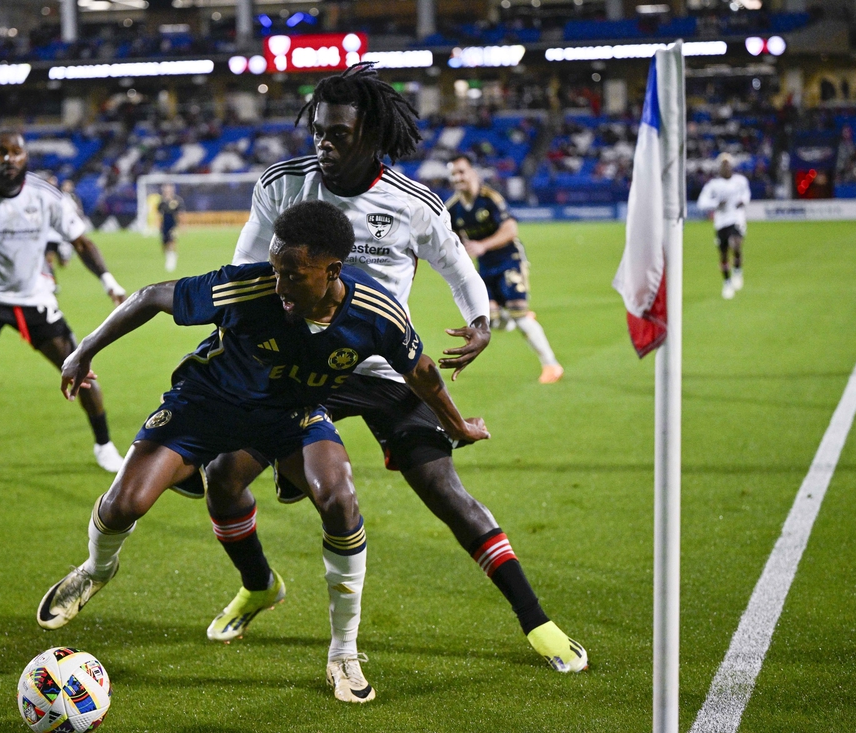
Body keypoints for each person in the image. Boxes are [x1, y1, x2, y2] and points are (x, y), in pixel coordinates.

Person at [178, 63, 587, 674]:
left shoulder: (411, 202)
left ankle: (538, 622)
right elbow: (244, 277)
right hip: (299, 370)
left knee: (446, 491)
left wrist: (480, 322)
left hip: (385, 366)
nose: (324, 144)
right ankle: (259, 584)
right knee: (222, 476)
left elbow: (456, 265)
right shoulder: (283, 184)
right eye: (318, 131)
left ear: (370, 133)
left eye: (338, 133)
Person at [37, 200, 490, 703]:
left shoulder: (375, 312)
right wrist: (84, 351)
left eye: (292, 275)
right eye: (275, 269)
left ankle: (343, 652)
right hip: (206, 403)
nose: (278, 285)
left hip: (290, 414)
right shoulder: (250, 285)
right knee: (125, 505)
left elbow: (421, 371)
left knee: (339, 499)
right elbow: (150, 297)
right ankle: (97, 570)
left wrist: (458, 427)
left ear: (332, 272)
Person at [0, 128, 128, 478]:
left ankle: (104, 445)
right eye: (0, 152)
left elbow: (81, 242)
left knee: (80, 370)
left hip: (34, 296)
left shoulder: (45, 196)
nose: (8, 158)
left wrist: (109, 282)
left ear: (25, 157)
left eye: (15, 152)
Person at [446, 154, 563, 384]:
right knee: (493, 321)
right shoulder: (454, 208)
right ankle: (517, 314)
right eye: (453, 174)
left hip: (509, 260)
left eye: (461, 171)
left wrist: (482, 245)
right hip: (484, 267)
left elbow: (511, 229)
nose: (458, 177)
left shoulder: (490, 198)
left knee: (519, 316)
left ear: (473, 173)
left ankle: (551, 365)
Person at [696, 153, 751, 300]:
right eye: (723, 165)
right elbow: (701, 202)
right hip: (721, 222)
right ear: (720, 167)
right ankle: (727, 282)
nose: (726, 167)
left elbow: (746, 194)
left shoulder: (740, 181)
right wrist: (716, 204)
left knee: (736, 244)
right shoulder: (713, 185)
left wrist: (743, 201)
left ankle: (737, 271)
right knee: (723, 254)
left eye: (728, 164)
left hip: (736, 218)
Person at [157, 183, 183, 273]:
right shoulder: (162, 202)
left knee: (172, 240)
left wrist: (182, 226)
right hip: (164, 225)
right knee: (164, 243)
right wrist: (158, 224)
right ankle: (168, 255)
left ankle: (172, 258)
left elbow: (180, 214)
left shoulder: (177, 201)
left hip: (173, 225)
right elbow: (159, 214)